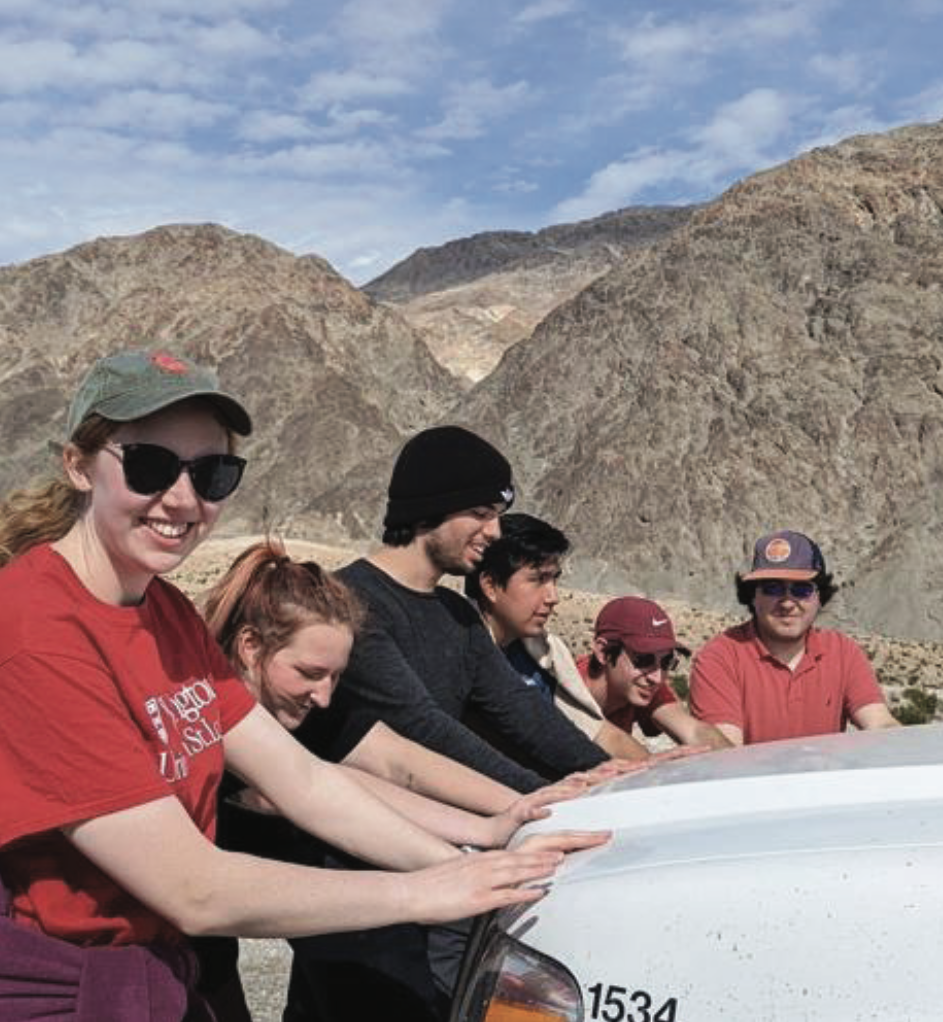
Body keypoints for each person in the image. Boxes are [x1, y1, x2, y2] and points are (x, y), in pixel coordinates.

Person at [0, 351, 602, 1021]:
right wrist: (429, 890)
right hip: (67, 991)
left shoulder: (164, 611)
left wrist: (484, 843)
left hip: (163, 974)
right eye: (148, 464)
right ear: (78, 465)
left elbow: (306, 782)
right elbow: (192, 887)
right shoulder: (32, 628)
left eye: (211, 472)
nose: (182, 497)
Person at [194, 540, 592, 1021]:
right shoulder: (205, 720)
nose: (323, 696)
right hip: (173, 938)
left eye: (336, 678)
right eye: (309, 673)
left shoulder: (301, 709)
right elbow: (312, 794)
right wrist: (451, 868)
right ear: (249, 647)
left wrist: (499, 825)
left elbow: (383, 768)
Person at [332, 427, 609, 794]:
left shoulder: (456, 613)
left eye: (497, 515)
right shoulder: (350, 601)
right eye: (480, 512)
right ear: (427, 509)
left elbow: (518, 707)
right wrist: (539, 793)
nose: (494, 531)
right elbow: (422, 726)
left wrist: (606, 770)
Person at [688, 529, 901, 745]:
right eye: (772, 588)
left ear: (820, 597)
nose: (788, 603)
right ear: (753, 597)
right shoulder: (719, 657)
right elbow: (724, 751)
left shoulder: (843, 652)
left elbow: (880, 724)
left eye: (801, 589)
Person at [465, 513, 650, 760]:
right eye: (538, 579)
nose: (553, 597)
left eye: (554, 579)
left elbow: (599, 733)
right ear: (490, 586)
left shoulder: (546, 652)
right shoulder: (457, 650)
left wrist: (657, 773)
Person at [567, 596, 733, 758]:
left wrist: (739, 768)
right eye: (643, 659)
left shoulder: (643, 684)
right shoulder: (566, 689)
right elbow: (612, 740)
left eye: (666, 662)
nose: (657, 678)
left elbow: (695, 732)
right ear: (603, 653)